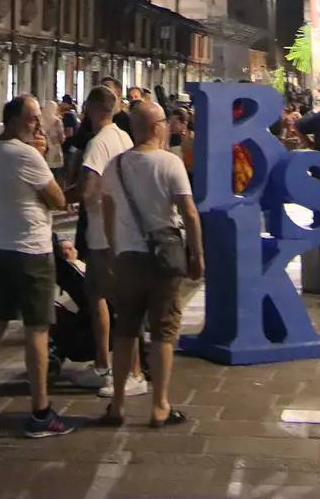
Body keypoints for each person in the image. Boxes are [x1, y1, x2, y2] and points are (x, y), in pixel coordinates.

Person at [0, 94, 70, 438]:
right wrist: (40, 156)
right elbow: (58, 199)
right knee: (37, 330)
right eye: (30, 120)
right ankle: (40, 412)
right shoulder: (26, 154)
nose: (37, 125)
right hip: (31, 251)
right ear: (12, 121)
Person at [99, 102, 203, 427]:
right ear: (157, 126)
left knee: (126, 329)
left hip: (128, 257)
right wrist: (197, 255)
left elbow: (107, 209)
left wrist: (117, 248)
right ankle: (159, 405)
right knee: (164, 330)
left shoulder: (114, 166)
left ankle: (117, 404)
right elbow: (189, 212)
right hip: (164, 258)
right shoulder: (169, 163)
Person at [65, 86, 142, 395]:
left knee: (115, 302)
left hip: (103, 234)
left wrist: (56, 197)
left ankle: (132, 372)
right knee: (99, 295)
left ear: (94, 109)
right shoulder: (123, 137)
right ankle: (103, 364)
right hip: (121, 230)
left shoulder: (98, 143)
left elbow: (86, 189)